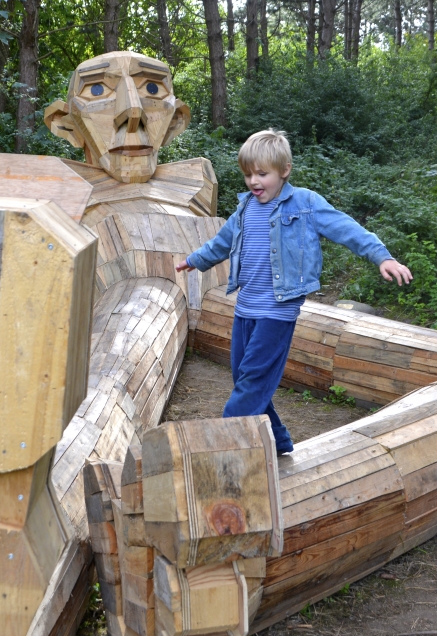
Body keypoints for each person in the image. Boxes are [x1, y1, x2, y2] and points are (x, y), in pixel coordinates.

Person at [176, 130, 413, 455]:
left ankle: (226, 441)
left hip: (277, 312)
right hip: (245, 309)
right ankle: (278, 442)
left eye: (262, 174)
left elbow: (347, 228)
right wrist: (195, 260)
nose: (253, 181)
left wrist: (381, 256)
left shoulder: (305, 204)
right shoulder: (245, 208)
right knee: (246, 379)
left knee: (252, 382)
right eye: (248, 174)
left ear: (284, 170)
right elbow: (222, 242)